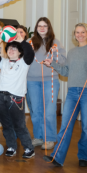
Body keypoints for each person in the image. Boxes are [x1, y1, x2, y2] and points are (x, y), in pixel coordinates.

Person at [43, 23, 87, 168]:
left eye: (82, 32)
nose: (80, 35)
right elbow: (66, 72)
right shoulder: (72, 52)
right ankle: (57, 157)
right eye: (77, 32)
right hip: (72, 93)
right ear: (74, 35)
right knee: (65, 126)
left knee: (86, 127)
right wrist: (52, 64)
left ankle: (84, 157)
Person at [0, 35, 36, 158]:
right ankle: (11, 147)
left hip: (16, 99)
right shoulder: (3, 62)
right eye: (9, 48)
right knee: (6, 125)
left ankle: (29, 148)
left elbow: (30, 53)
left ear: (20, 52)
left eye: (15, 48)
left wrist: (22, 41)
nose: (11, 50)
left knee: (19, 125)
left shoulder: (24, 63)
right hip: (0, 97)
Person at [27, 17, 66, 150]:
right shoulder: (30, 42)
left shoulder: (55, 42)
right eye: (40, 26)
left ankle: (49, 138)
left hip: (51, 80)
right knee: (36, 111)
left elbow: (63, 61)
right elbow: (23, 59)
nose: (42, 28)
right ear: (36, 28)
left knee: (49, 111)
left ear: (49, 28)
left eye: (45, 26)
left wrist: (55, 54)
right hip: (32, 81)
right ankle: (38, 137)